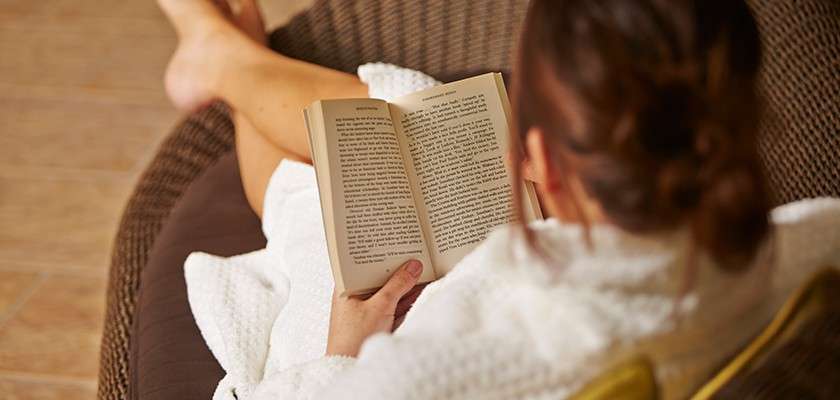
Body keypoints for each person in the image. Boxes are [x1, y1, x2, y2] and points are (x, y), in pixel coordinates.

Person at [158, 0, 840, 398]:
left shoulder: (433, 375)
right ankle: (222, 48)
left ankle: (220, 48)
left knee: (319, 200)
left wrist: (343, 356)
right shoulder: (819, 245)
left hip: (394, 327)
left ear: (541, 158)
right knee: (403, 116)